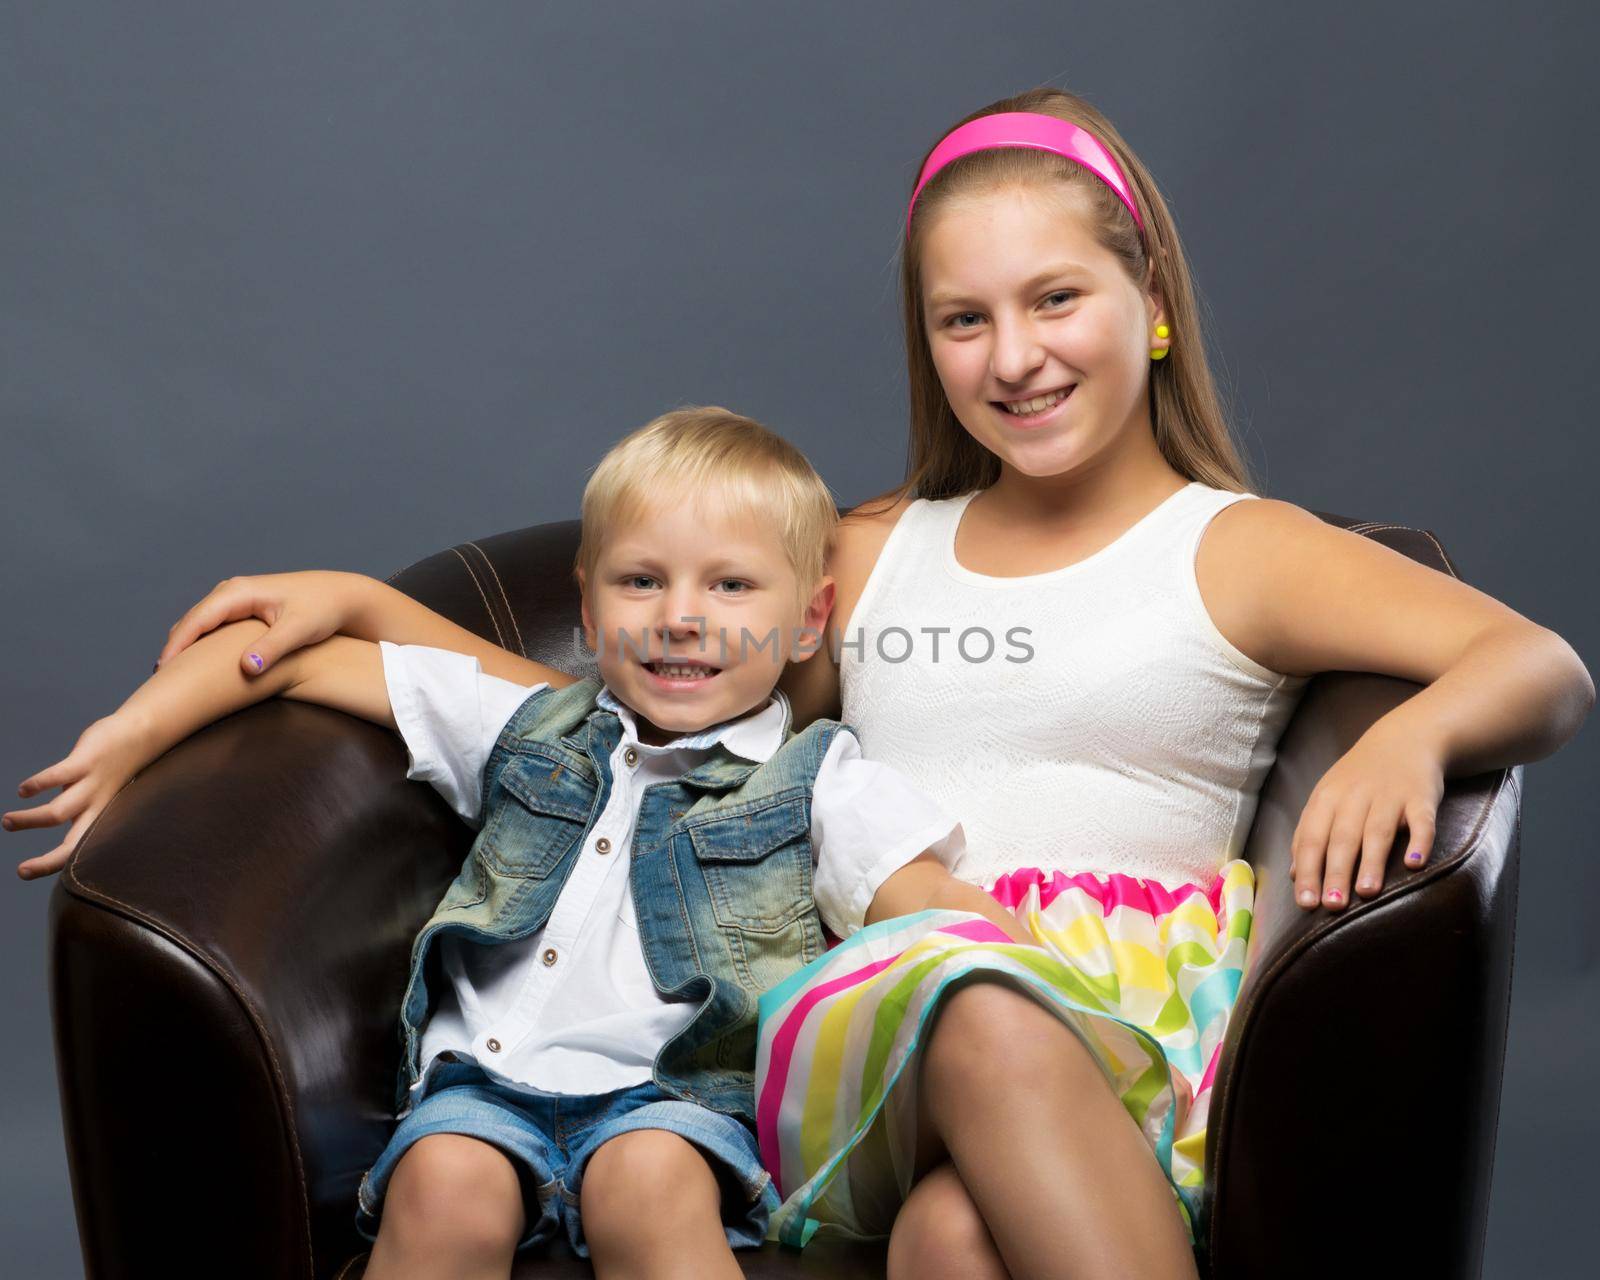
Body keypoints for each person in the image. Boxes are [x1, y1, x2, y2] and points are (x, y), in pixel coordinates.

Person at [53, 88, 1593, 1280]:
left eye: (1058, 299)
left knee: (952, 1246)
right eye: (965, 319)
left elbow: (1541, 664)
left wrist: (1420, 732)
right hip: (876, 1015)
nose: (1018, 355)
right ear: (929, 347)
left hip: (1125, 1032)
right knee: (975, 1009)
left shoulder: (1240, 550)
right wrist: (359, 608)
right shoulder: (878, 554)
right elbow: (608, 704)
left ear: (1151, 301)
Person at [8, 407, 1020, 1280]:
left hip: (674, 1099)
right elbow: (290, 660)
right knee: (443, 1184)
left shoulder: (816, 779)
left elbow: (918, 897)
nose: (680, 616)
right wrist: (128, 739)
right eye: (640, 580)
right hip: (482, 1083)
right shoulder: (525, 726)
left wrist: (1061, 975)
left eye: (730, 587)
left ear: (808, 622)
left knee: (647, 1185)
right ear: (587, 604)